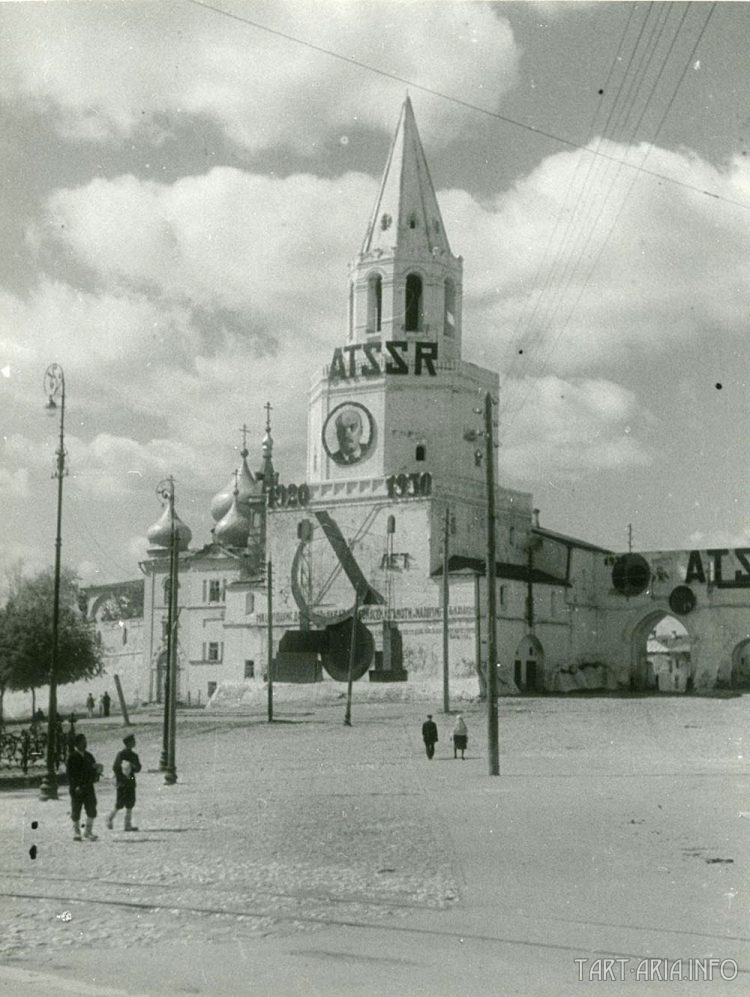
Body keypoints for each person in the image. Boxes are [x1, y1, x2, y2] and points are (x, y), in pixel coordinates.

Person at [66, 733, 103, 841]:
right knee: (76, 809)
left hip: (88, 787)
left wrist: (97, 771)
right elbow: (70, 775)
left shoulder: (89, 756)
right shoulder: (72, 757)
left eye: (85, 741)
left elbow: (93, 772)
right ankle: (76, 832)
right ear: (77, 744)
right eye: (82, 742)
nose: (85, 744)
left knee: (91, 808)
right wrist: (75, 786)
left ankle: (88, 831)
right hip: (77, 788)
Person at [106, 733, 142, 832]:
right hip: (122, 781)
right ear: (128, 743)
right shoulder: (121, 754)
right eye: (133, 741)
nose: (134, 743)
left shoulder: (134, 755)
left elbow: (138, 767)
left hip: (130, 779)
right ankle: (110, 818)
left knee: (131, 802)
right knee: (120, 803)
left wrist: (134, 767)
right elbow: (115, 767)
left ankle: (127, 824)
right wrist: (121, 777)